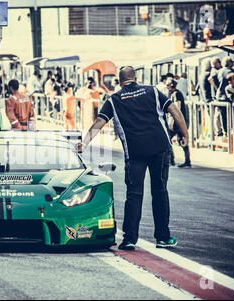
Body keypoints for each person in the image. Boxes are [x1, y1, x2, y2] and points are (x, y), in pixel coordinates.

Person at [76, 66, 188, 250]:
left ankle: (129, 239)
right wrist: (185, 134)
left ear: (120, 82)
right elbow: (174, 110)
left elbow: (99, 122)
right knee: (160, 191)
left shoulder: (114, 99)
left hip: (135, 152)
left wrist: (85, 143)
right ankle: (163, 238)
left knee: (134, 194)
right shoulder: (152, 90)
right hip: (160, 148)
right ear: (135, 78)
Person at [167, 79, 191, 168]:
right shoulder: (175, 93)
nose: (167, 87)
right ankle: (187, 161)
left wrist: (173, 121)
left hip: (177, 121)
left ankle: (171, 160)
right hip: (179, 121)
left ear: (172, 85)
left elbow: (177, 108)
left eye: (168, 85)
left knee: (168, 139)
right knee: (181, 139)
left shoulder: (176, 94)